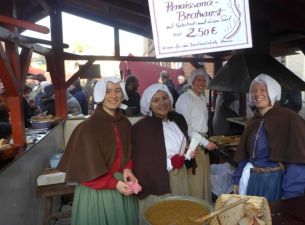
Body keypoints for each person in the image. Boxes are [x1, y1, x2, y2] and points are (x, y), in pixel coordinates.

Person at [57, 77, 139, 225]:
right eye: (108, 91)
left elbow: (128, 151)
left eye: (117, 91)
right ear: (100, 95)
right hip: (97, 192)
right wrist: (114, 184)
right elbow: (84, 170)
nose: (113, 96)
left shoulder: (125, 123)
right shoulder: (87, 128)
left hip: (123, 186)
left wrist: (128, 169)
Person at [232, 74, 305, 201]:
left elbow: (299, 164)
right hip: (252, 180)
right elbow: (244, 155)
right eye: (254, 90)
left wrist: (290, 195)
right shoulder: (253, 121)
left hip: (274, 183)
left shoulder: (290, 119)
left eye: (263, 90)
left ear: (273, 92)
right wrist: (236, 179)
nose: (258, 94)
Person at [132, 83, 193, 224]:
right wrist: (171, 162)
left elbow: (182, 143)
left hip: (181, 175)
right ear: (149, 104)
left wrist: (187, 152)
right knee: (162, 216)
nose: (162, 103)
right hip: (159, 180)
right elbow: (143, 162)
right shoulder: (141, 128)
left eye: (165, 98)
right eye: (156, 100)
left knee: (180, 214)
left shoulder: (178, 119)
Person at [175, 68, 218, 203]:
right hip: (192, 146)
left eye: (204, 80)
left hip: (202, 143)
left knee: (203, 179)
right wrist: (205, 143)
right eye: (198, 80)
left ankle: (204, 208)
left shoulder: (200, 98)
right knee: (195, 181)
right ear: (192, 82)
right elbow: (186, 127)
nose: (201, 83)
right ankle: (194, 210)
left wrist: (206, 139)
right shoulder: (185, 99)